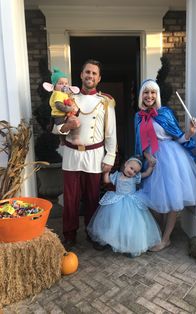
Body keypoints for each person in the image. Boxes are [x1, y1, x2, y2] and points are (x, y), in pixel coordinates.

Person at [135, 79, 196, 252]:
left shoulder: (165, 113)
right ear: (141, 95)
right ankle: (157, 233)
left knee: (173, 199)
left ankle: (165, 239)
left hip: (172, 159)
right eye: (146, 92)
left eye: (153, 92)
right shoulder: (138, 116)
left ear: (157, 95)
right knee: (154, 200)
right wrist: (146, 155)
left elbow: (179, 137)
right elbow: (141, 143)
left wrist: (190, 132)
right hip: (153, 161)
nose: (149, 96)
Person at [56, 59, 117, 248]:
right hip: (72, 154)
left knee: (92, 198)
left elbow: (111, 133)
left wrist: (110, 157)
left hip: (94, 155)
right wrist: (67, 125)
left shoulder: (105, 102)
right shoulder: (68, 99)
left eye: (94, 73)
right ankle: (70, 235)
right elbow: (56, 128)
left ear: (99, 78)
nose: (90, 75)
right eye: (87, 72)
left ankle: (93, 233)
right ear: (81, 75)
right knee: (71, 198)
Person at [87, 157, 161, 257]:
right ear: (126, 164)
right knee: (114, 223)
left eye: (135, 171)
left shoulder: (135, 178)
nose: (132, 172)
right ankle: (114, 241)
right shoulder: (117, 175)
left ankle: (131, 246)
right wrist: (106, 172)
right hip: (117, 201)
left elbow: (146, 174)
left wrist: (151, 167)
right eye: (131, 168)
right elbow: (106, 180)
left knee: (131, 225)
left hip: (131, 203)